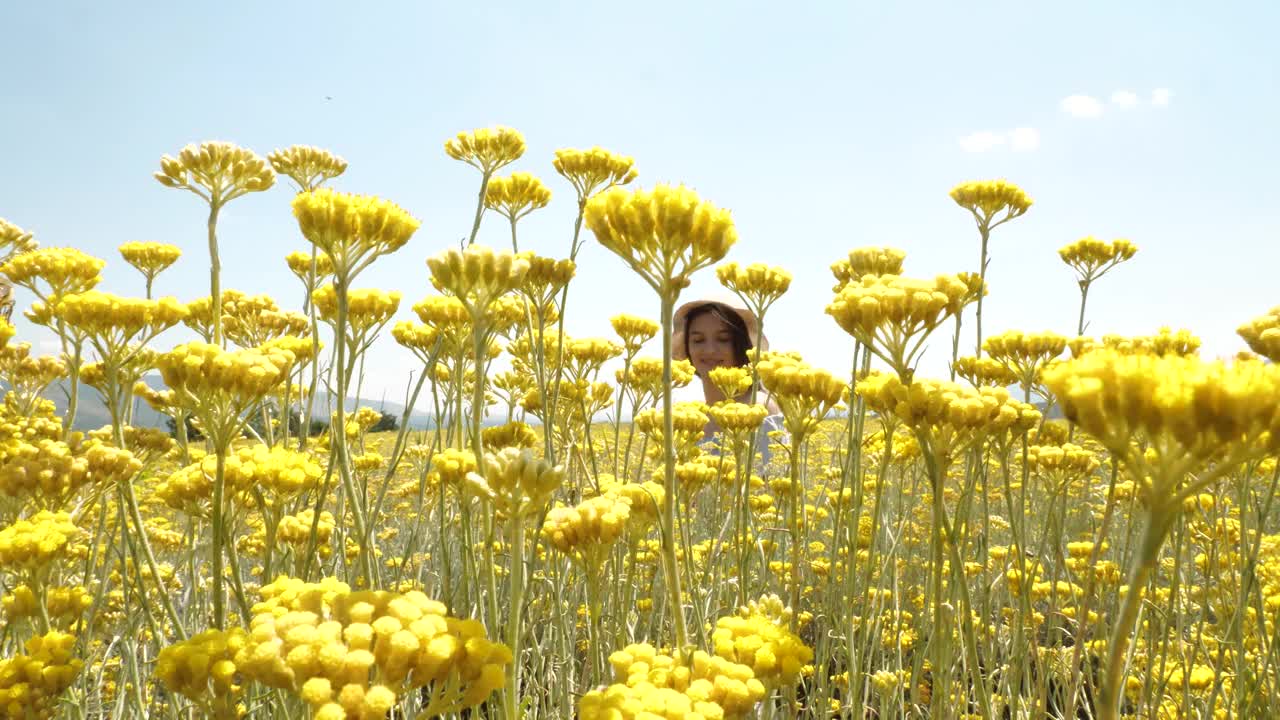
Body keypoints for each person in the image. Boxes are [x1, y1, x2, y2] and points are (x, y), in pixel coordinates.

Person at [672, 297, 786, 465]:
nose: (710, 350)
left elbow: (772, 482)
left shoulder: (758, 407)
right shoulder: (691, 418)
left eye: (723, 339)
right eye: (698, 340)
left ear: (741, 345)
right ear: (688, 347)